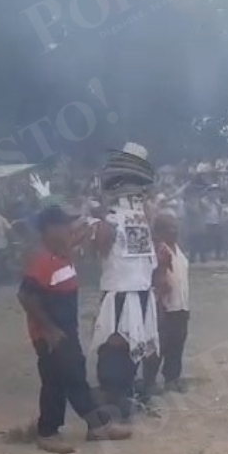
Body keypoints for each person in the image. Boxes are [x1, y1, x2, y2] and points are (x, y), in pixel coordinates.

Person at [18, 205, 133, 454]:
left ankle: (89, 426)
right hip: (52, 334)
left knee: (69, 378)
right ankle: (50, 431)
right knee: (61, 381)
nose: (68, 229)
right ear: (49, 230)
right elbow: (26, 296)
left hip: (65, 330)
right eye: (63, 225)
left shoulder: (62, 256)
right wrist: (48, 329)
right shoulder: (42, 261)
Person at [91, 143, 160, 418]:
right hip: (122, 291)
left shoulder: (138, 218)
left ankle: (122, 395)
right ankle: (112, 399)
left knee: (130, 346)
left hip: (136, 289)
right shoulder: (115, 220)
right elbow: (102, 250)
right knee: (116, 344)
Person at [144, 212, 190, 394]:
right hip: (164, 307)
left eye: (176, 227)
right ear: (161, 231)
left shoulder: (178, 249)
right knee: (158, 346)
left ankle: (172, 378)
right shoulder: (158, 251)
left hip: (181, 305)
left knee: (177, 344)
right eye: (171, 228)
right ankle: (149, 382)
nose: (175, 231)